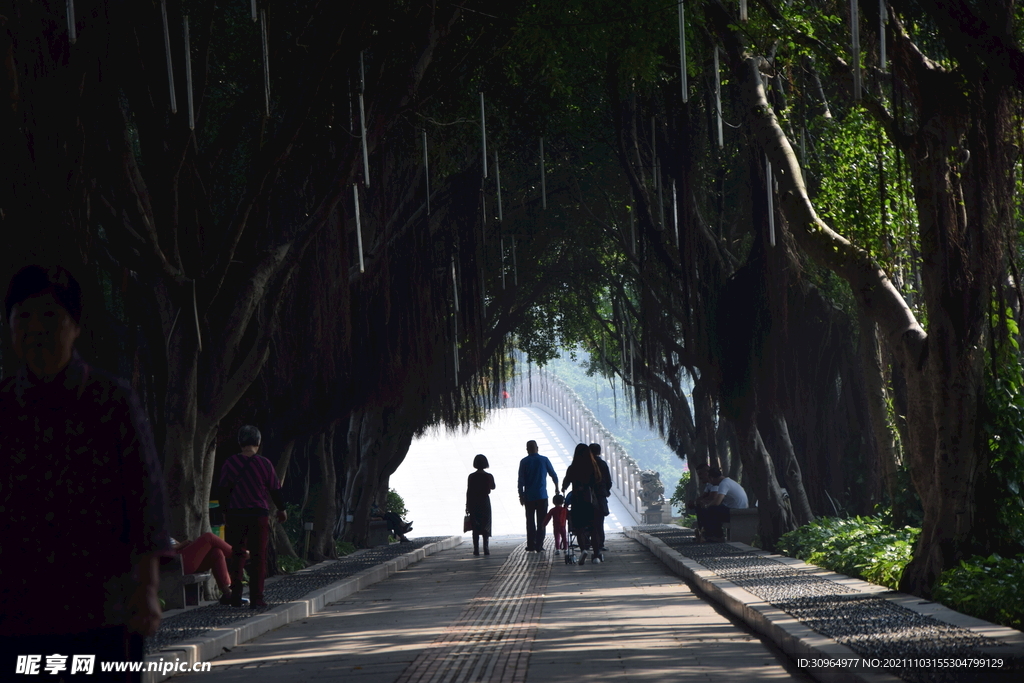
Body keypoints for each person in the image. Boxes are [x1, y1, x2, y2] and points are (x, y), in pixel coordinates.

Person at [1, 265, 171, 680]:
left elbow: (145, 497)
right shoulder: (4, 407)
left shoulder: (111, 402)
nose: (36, 328)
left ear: (74, 326)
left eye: (49, 316)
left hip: (105, 610)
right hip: (19, 612)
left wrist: (148, 590)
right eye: (23, 316)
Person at [218, 426, 287, 608]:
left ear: (240, 442)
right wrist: (282, 509)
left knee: (237, 555)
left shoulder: (230, 463)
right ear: (258, 442)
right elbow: (275, 489)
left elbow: (223, 491)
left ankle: (235, 595)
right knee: (258, 556)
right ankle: (257, 598)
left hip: (236, 514)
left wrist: (225, 513)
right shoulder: (264, 464)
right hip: (258, 515)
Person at [170, 534, 248, 605]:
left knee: (216, 552)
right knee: (208, 537)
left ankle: (227, 593)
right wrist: (181, 545)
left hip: (181, 559)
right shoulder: (157, 532)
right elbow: (162, 549)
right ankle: (240, 554)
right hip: (176, 563)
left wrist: (184, 545)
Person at [562, 443, 605, 564]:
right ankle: (596, 555)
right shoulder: (594, 466)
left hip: (578, 502)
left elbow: (565, 484)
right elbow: (599, 481)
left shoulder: (573, 467)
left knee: (580, 528)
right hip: (592, 502)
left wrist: (564, 488)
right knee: (594, 528)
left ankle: (583, 550)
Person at [517, 439, 558, 552]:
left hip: (529, 497)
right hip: (542, 496)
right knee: (542, 522)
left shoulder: (524, 462)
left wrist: (521, 495)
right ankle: (539, 545)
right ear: (537, 448)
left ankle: (531, 545)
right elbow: (554, 475)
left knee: (530, 521)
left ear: (527, 450)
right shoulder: (544, 460)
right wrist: (557, 488)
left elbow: (521, 480)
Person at [695, 467, 749, 542]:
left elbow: (717, 502)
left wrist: (707, 505)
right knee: (711, 509)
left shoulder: (724, 484)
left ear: (711, 478)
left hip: (736, 511)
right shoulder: (728, 481)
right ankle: (707, 534)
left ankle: (717, 536)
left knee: (712, 509)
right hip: (737, 509)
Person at [466, 454, 496, 555]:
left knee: (475, 526)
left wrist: (467, 505)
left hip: (474, 502)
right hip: (485, 501)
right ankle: (486, 548)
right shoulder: (488, 476)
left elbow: (469, 491)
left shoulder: (471, 476)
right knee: (485, 525)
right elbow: (493, 487)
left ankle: (476, 549)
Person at [588, 443, 613, 553]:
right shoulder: (602, 464)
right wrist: (606, 491)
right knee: (599, 521)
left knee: (589, 520)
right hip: (600, 496)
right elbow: (608, 480)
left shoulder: (586, 464)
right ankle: (600, 543)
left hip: (588, 497)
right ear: (599, 452)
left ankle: (589, 542)